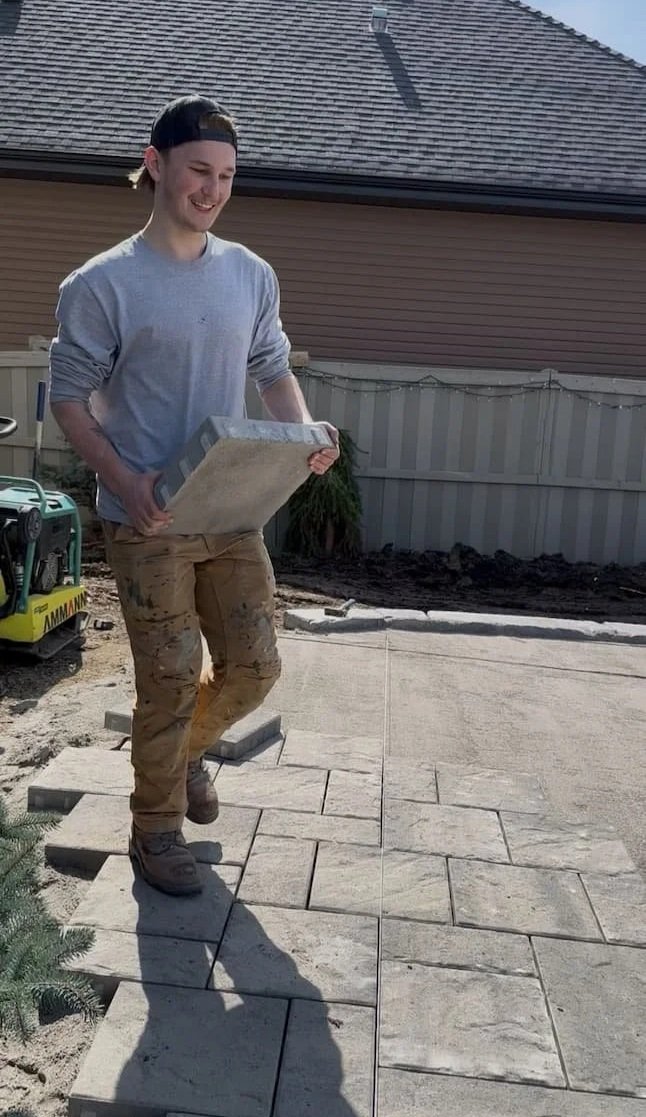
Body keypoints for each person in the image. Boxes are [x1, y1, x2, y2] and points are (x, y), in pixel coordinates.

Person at [49, 94, 339, 897]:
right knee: (171, 678)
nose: (212, 189)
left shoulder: (250, 274)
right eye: (198, 171)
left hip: (229, 512)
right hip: (148, 518)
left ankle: (180, 758)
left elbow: (272, 368)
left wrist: (303, 435)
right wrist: (124, 480)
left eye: (227, 176)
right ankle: (155, 828)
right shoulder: (102, 283)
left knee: (255, 666)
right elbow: (68, 399)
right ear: (155, 164)